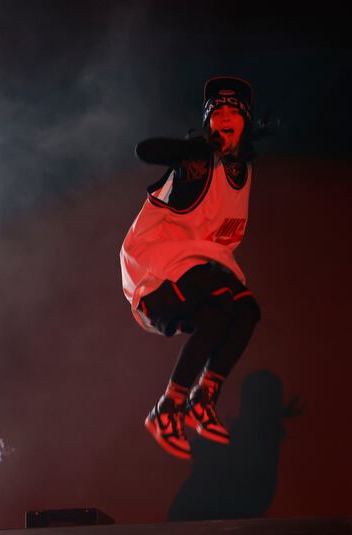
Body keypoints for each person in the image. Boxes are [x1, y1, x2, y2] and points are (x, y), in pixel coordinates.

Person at [119, 76, 262, 460]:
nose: (225, 118)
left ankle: (203, 399)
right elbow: (145, 150)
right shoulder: (198, 163)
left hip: (194, 266)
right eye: (218, 113)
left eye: (234, 112)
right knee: (218, 300)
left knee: (244, 309)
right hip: (153, 272)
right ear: (207, 123)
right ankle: (168, 408)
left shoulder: (242, 174)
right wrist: (189, 151)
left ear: (246, 122)